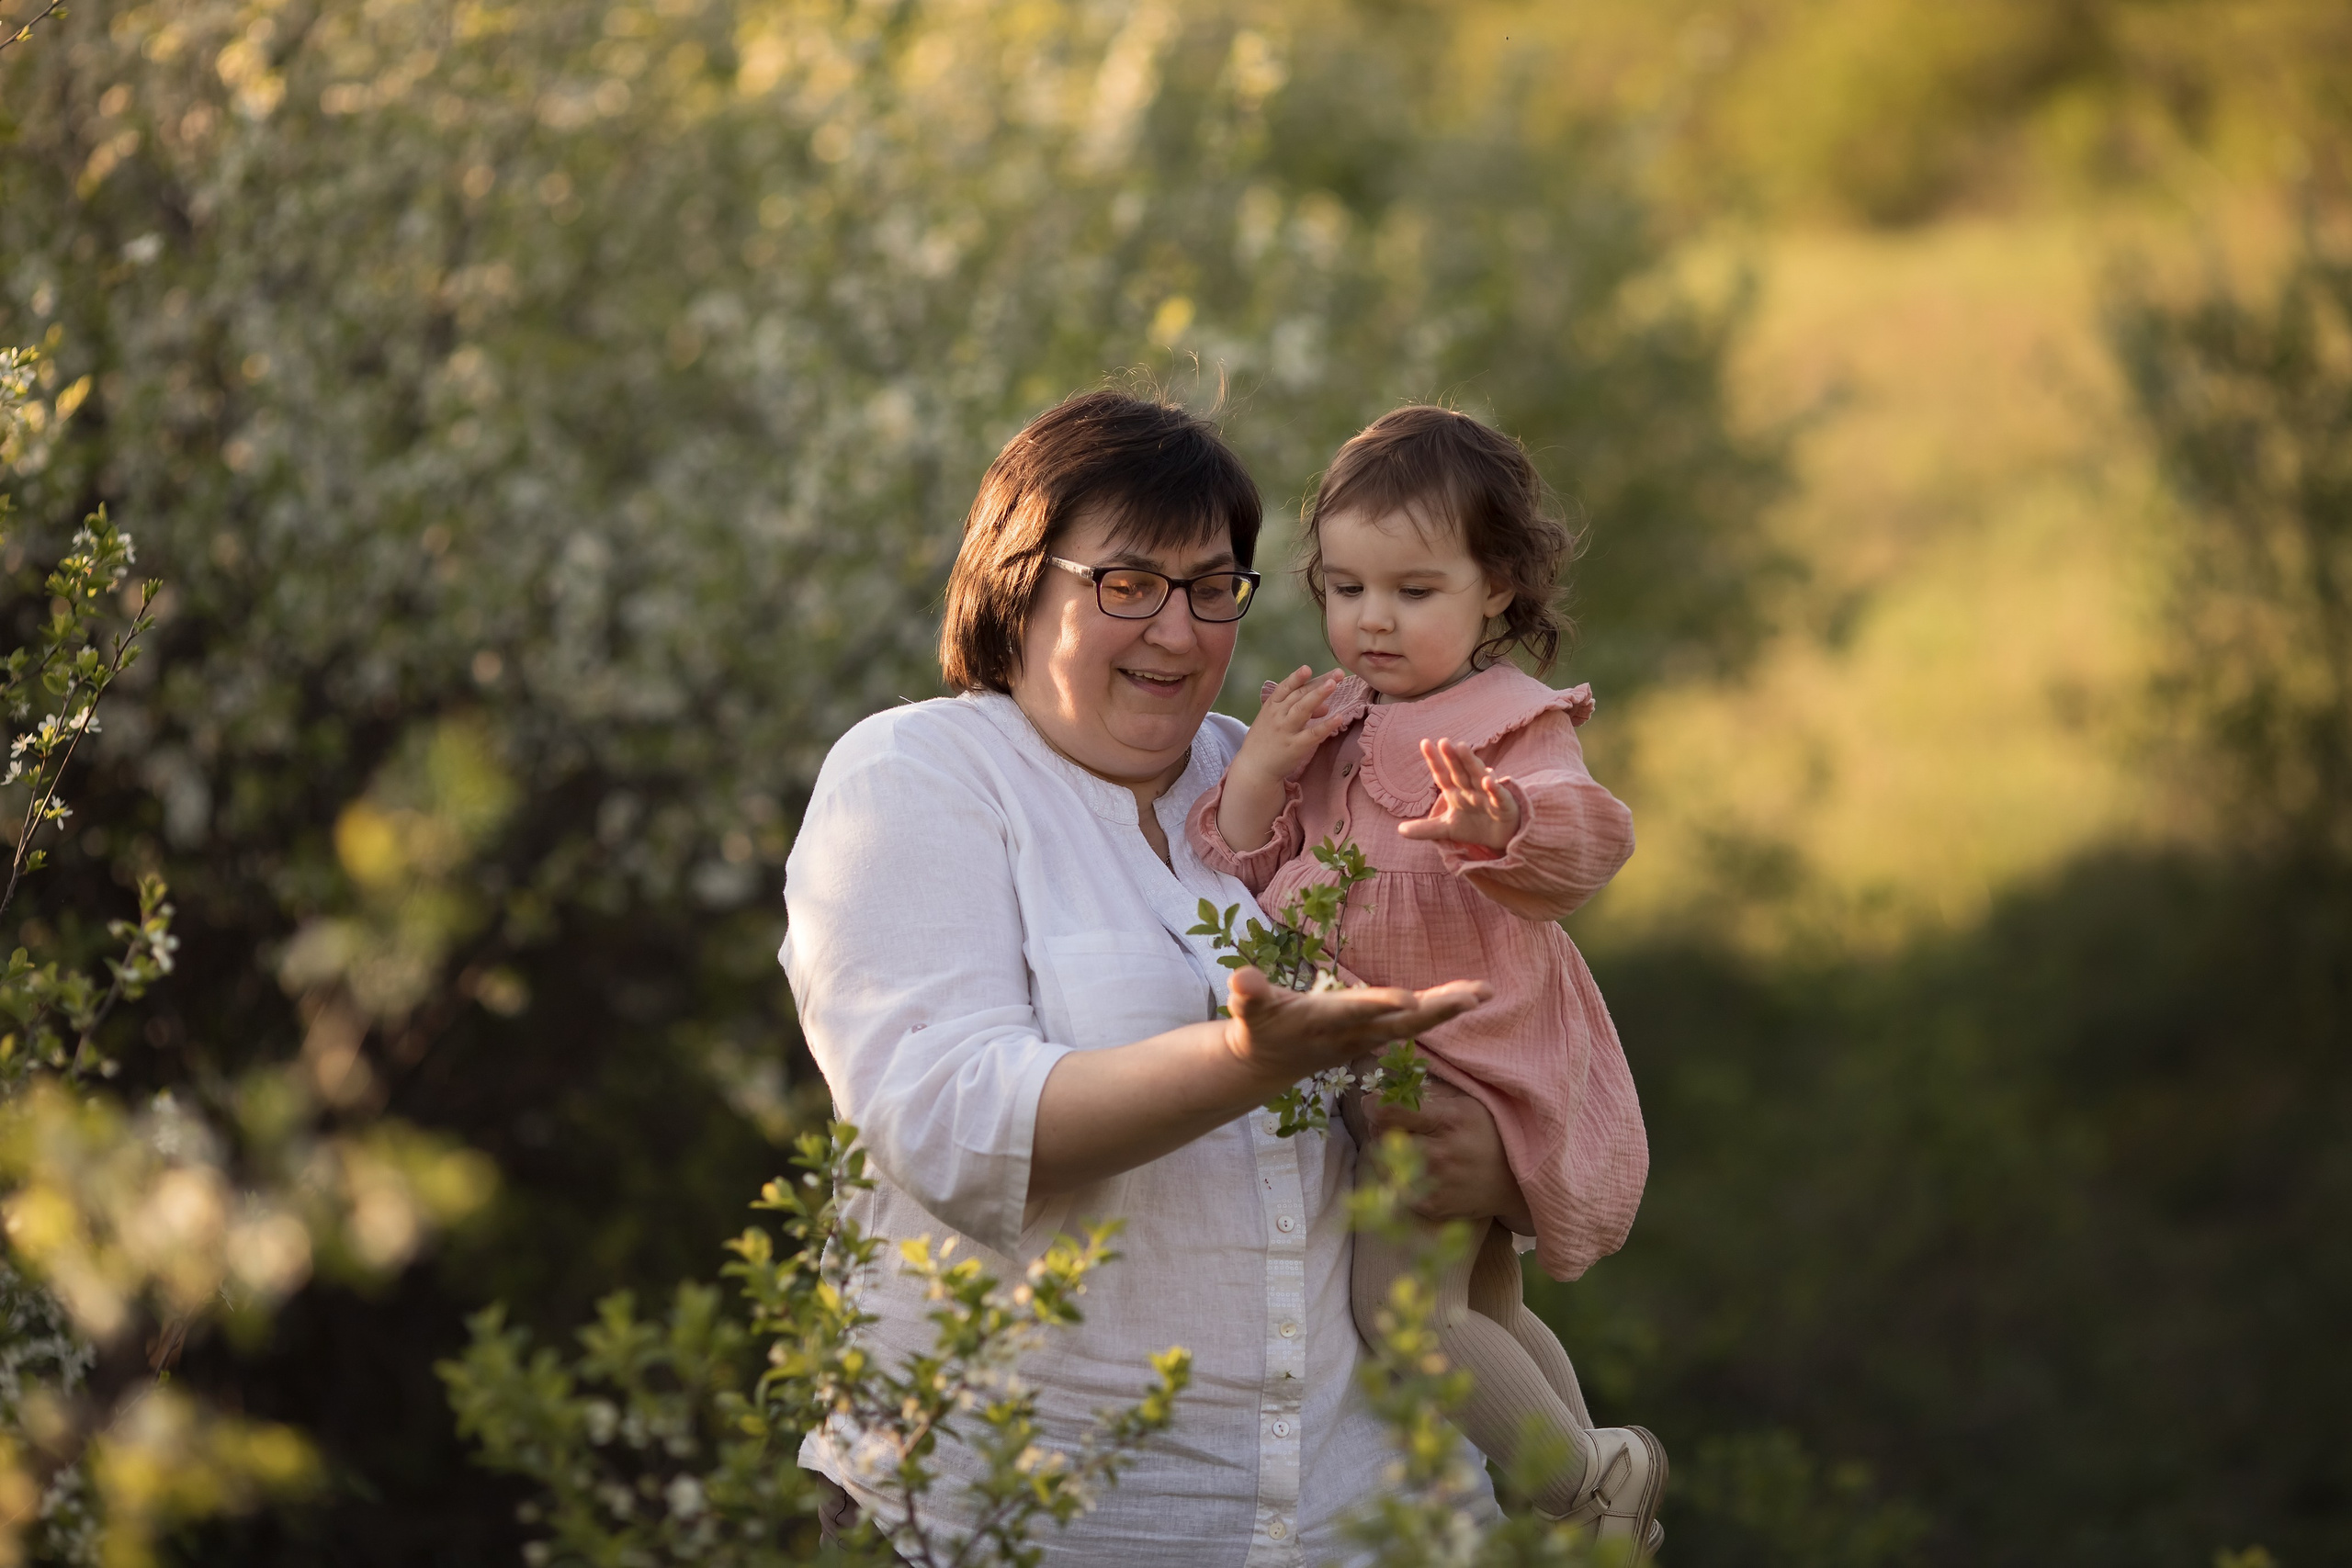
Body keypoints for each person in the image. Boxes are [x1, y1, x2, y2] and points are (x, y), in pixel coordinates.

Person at [781, 389, 1525, 1564]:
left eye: (1212, 586)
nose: (1177, 632)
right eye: (1125, 584)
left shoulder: (1290, 769)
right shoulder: (918, 774)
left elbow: (1473, 1003)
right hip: (1039, 1520)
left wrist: (1494, 1156)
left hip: (1362, 1515)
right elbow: (945, 1121)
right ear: (1016, 584)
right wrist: (1246, 1061)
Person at [1186, 405, 1665, 1550]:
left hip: (1466, 1055)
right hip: (1389, 1051)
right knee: (1479, 1305)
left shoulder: (1508, 723)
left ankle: (1586, 1481)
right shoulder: (1336, 724)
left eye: (1412, 591)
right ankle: (1598, 1506)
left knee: (1402, 1317)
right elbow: (1247, 872)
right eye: (1345, 590)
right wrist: (1261, 769)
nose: (1373, 622)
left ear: (1495, 587)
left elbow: (1586, 844)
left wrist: (1504, 825)